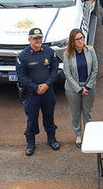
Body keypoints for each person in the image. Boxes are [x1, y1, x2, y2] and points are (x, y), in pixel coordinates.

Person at [16, 27, 60, 156]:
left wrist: (47, 84)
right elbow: (21, 76)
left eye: (40, 38)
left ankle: (51, 138)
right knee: (32, 119)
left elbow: (54, 70)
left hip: (48, 92)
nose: (38, 40)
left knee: (49, 116)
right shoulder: (23, 56)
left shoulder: (49, 52)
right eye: (35, 38)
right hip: (32, 94)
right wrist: (36, 87)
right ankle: (31, 143)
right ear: (29, 40)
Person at [62, 28, 98, 148]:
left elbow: (95, 69)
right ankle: (78, 135)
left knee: (87, 112)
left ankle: (90, 134)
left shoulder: (90, 50)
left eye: (81, 38)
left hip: (89, 87)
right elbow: (67, 73)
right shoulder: (67, 54)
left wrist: (87, 86)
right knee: (75, 113)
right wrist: (79, 89)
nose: (80, 41)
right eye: (77, 39)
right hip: (73, 89)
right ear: (72, 41)